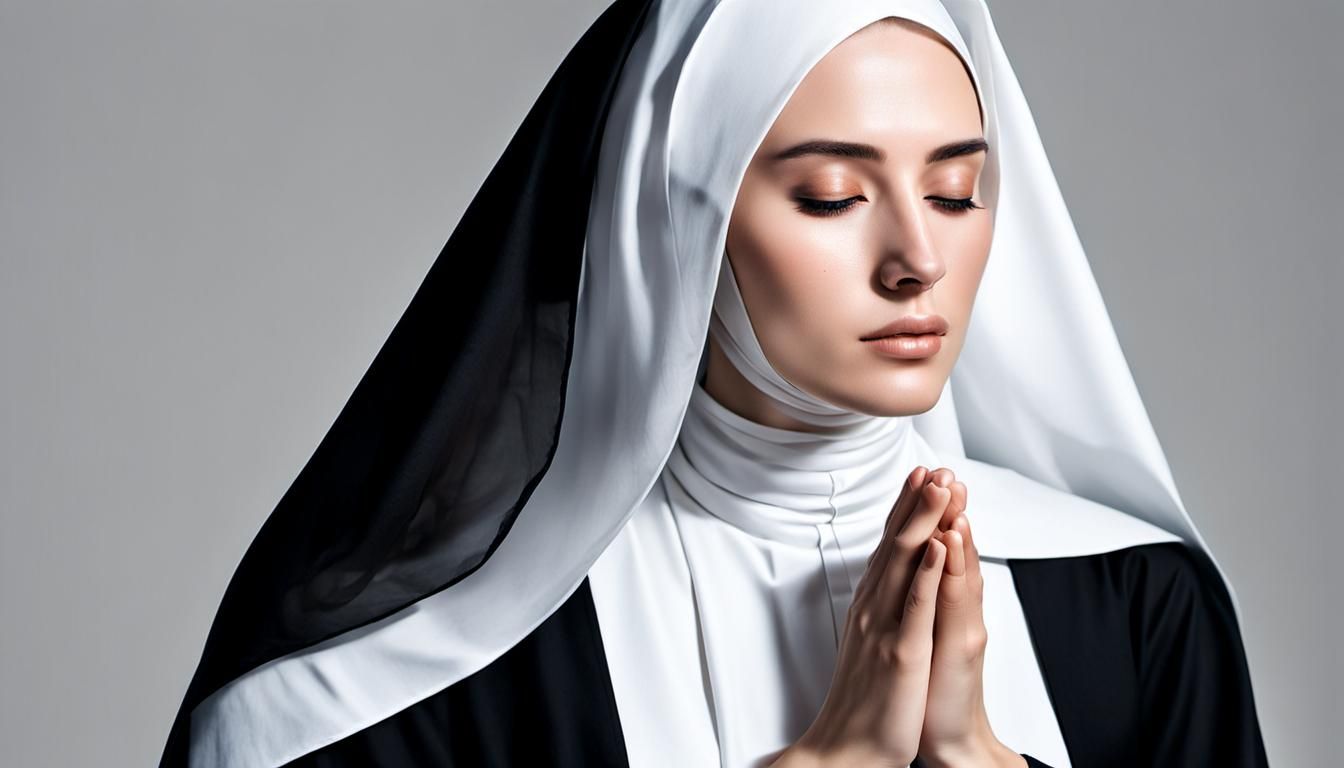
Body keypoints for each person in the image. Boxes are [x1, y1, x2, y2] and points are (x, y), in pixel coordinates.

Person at [159, 1, 1271, 766]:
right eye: (833, 195)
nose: (916, 260)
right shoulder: (420, 680)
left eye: (956, 191)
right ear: (676, 224)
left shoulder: (1137, 607)